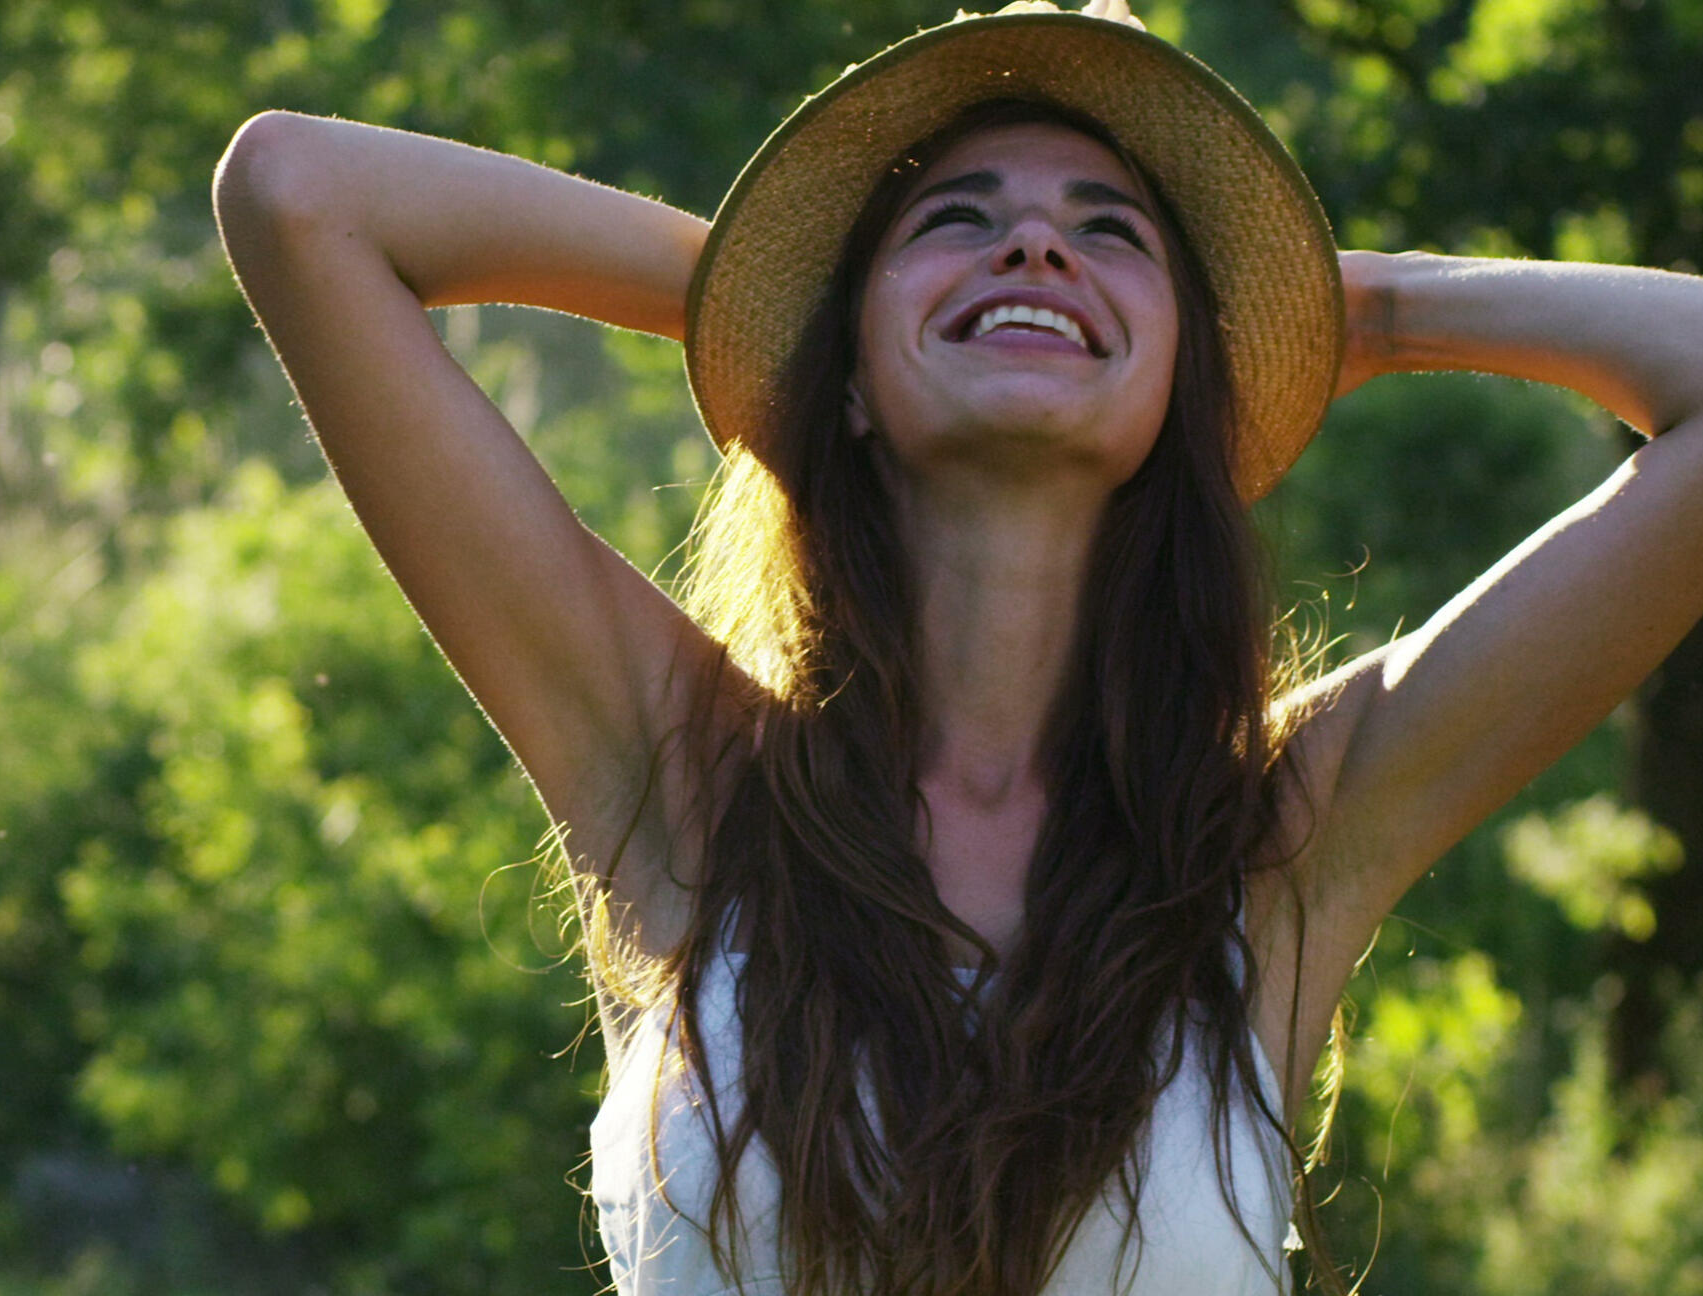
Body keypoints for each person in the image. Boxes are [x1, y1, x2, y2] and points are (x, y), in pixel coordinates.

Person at [210, 0, 1703, 1291]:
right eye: (959, 221)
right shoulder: (683, 780)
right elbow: (298, 191)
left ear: (1180, 383)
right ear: (845, 378)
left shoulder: (1280, 843)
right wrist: (799, 309)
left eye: (1109, 236)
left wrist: (1347, 306)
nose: (1038, 240)